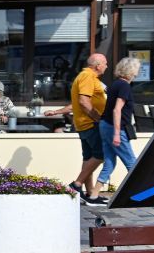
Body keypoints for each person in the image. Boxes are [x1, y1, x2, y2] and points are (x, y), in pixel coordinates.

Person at [45, 53, 109, 206]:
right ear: (97, 65)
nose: (107, 66)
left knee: (88, 159)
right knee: (100, 155)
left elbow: (76, 104)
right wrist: (98, 119)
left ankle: (90, 194)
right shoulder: (88, 77)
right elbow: (83, 102)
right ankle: (76, 185)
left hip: (83, 124)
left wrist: (57, 111)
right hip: (90, 124)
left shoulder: (84, 77)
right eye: (105, 63)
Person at [94, 57, 141, 195]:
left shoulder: (115, 84)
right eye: (136, 70)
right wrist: (116, 133)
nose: (137, 73)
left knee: (109, 163)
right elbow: (117, 109)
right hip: (115, 128)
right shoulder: (124, 86)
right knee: (132, 163)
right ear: (131, 71)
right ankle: (138, 195)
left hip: (105, 125)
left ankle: (94, 195)